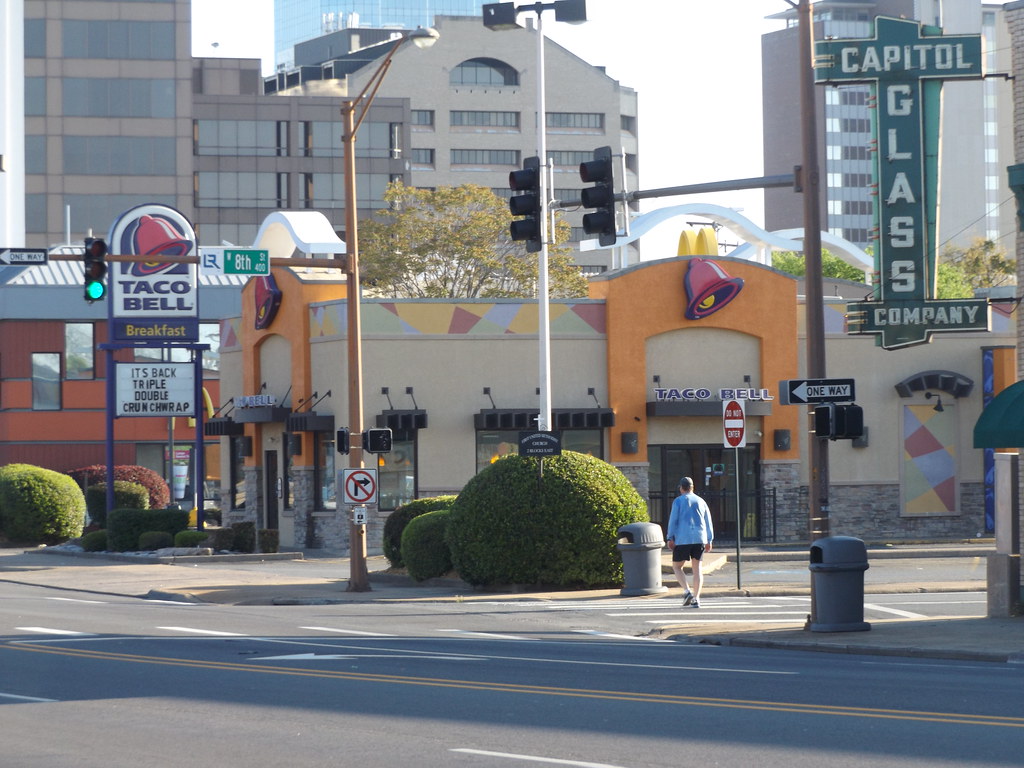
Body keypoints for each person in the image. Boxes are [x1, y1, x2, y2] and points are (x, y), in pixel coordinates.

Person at [665, 476, 714, 608]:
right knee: (697, 569)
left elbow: (673, 520)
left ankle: (687, 591)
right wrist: (709, 539)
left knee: (677, 566)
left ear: (681, 488)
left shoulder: (678, 501)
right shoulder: (701, 501)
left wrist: (670, 537)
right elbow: (708, 521)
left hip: (682, 538)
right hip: (699, 538)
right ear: (692, 488)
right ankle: (696, 598)